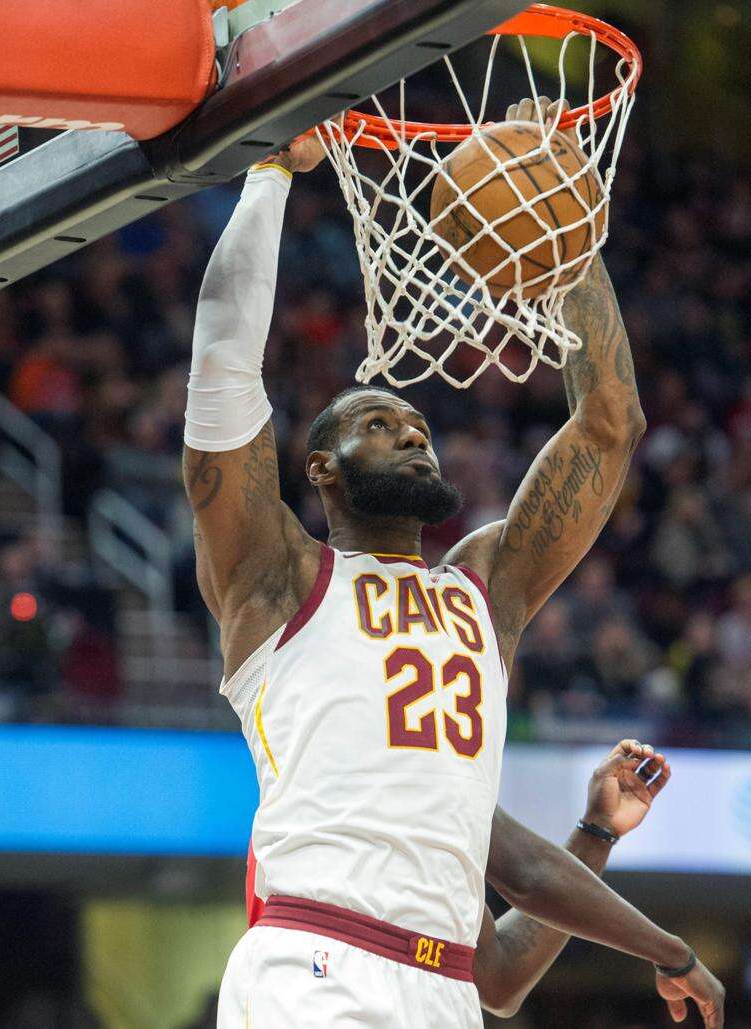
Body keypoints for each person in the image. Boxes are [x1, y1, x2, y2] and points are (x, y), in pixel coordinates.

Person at [182, 99, 724, 1027]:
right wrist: (270, 179)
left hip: (439, 994)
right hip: (315, 966)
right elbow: (223, 380)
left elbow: (503, 973)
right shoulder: (279, 579)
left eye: (420, 426)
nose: (411, 433)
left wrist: (561, 219)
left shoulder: (481, 592)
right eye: (377, 423)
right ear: (319, 469)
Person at [245, 738, 721, 1024]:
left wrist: (598, 832)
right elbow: (529, 876)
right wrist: (673, 955)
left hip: (417, 996)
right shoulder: (368, 749)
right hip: (318, 979)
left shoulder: (436, 809)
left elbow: (498, 978)